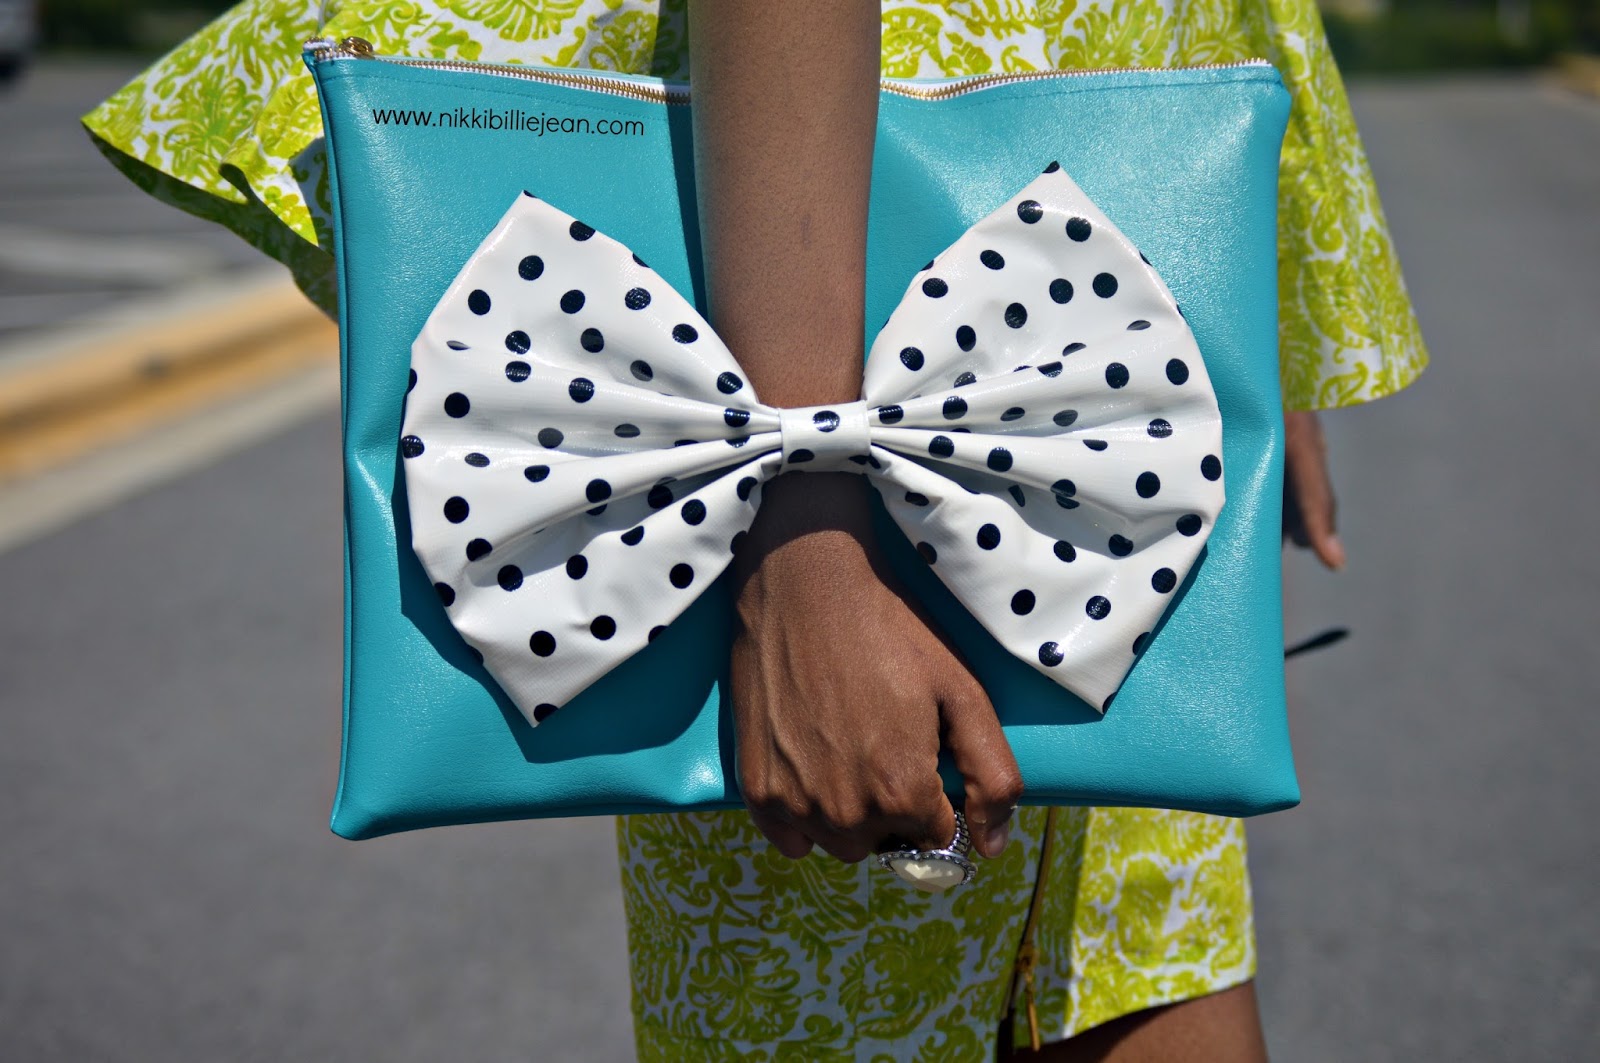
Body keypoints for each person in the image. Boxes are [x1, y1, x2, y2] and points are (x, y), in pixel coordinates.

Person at [82, 1, 1427, 1058]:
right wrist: (805, 537)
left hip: (1082, 327)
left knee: (1139, 984)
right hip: (803, 279)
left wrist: (1226, 334)